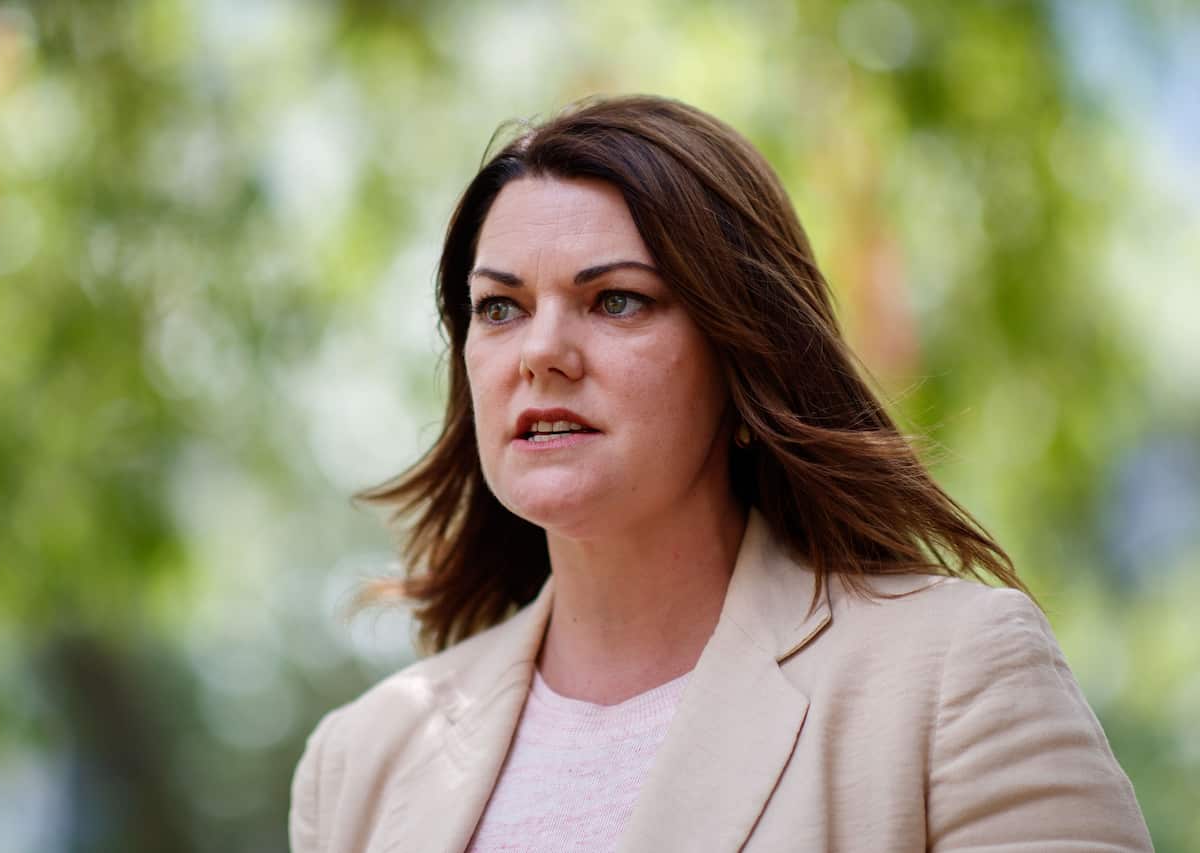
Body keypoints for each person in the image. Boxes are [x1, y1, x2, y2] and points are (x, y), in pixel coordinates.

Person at [289, 95, 1151, 852]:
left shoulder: (955, 676)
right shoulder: (360, 760)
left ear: (743, 357)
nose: (541, 352)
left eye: (617, 299)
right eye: (501, 308)